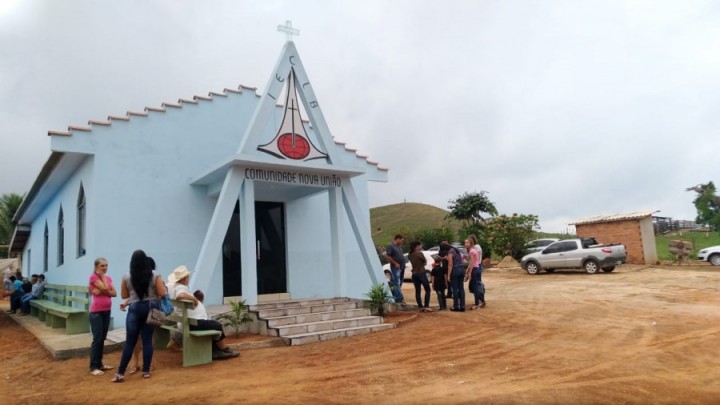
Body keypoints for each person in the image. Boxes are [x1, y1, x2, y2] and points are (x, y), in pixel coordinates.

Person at [111, 250, 166, 382]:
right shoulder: (155, 274)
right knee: (147, 340)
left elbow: (124, 296)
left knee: (130, 341)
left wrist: (133, 293)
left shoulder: (126, 276)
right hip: (151, 308)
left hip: (134, 309)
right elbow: (162, 292)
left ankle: (120, 373)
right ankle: (146, 370)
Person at [169, 265, 238, 359]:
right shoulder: (181, 288)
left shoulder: (178, 287)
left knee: (212, 325)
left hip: (190, 322)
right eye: (188, 277)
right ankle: (222, 349)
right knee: (217, 326)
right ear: (185, 278)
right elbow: (180, 296)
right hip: (191, 323)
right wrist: (194, 299)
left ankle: (218, 350)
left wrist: (194, 297)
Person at [88, 258, 117, 376]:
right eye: (102, 266)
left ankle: (99, 364)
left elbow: (114, 293)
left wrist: (104, 290)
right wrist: (104, 282)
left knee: (102, 338)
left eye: (106, 265)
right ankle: (93, 366)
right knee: (97, 339)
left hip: (106, 311)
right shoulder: (93, 277)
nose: (105, 268)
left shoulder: (108, 278)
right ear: (96, 267)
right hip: (96, 312)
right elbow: (106, 289)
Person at [408, 241, 432, 312]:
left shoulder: (410, 255)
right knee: (427, 289)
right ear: (417, 246)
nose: (420, 247)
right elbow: (425, 261)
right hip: (421, 273)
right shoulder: (419, 253)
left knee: (417, 291)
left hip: (414, 274)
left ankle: (420, 306)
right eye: (419, 246)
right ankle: (426, 306)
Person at [443, 242, 465, 312]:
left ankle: (456, 306)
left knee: (455, 289)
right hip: (461, 269)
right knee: (461, 288)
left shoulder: (450, 252)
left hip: (455, 270)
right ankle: (462, 306)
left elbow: (450, 264)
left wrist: (448, 275)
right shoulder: (456, 250)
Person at [384, 234, 406, 305]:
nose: (402, 242)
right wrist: (395, 263)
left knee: (397, 283)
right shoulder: (391, 246)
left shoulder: (398, 247)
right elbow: (387, 256)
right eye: (401, 240)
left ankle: (395, 297)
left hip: (401, 267)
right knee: (397, 283)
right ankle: (400, 299)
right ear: (397, 239)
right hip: (395, 268)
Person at [464, 238, 484, 310]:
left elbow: (472, 262)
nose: (466, 244)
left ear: (471, 243)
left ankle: (477, 303)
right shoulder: (474, 250)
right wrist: (467, 269)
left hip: (475, 269)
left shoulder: (471, 251)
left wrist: (469, 273)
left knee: (475, 287)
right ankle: (479, 301)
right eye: (465, 243)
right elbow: (474, 261)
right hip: (477, 268)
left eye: (467, 243)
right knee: (476, 286)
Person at [468, 234, 486, 308]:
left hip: (477, 266)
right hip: (477, 266)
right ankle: (480, 300)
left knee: (477, 285)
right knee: (476, 284)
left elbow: (476, 259)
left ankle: (481, 300)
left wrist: (473, 268)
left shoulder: (476, 247)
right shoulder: (475, 248)